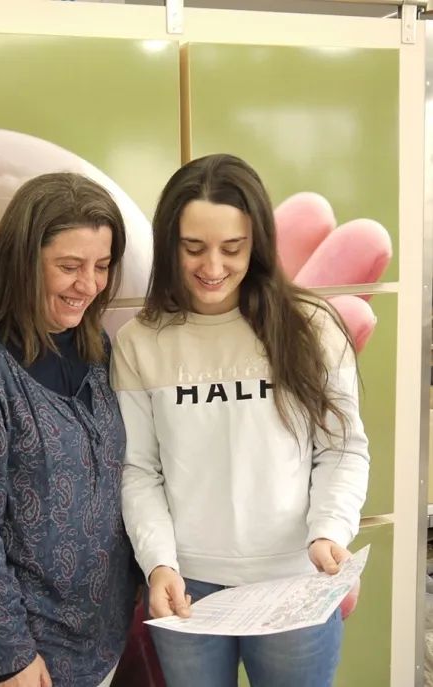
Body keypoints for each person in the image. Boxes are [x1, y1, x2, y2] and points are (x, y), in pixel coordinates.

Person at [110, 153, 370, 687]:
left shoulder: (313, 327)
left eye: (233, 248)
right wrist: (158, 563)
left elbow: (342, 450)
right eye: (193, 248)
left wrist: (329, 530)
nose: (212, 267)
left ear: (259, 244)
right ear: (168, 244)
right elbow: (139, 469)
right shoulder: (141, 342)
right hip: (188, 588)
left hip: (295, 581)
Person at [0, 172, 141, 687]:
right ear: (23, 264)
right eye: (69, 267)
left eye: (101, 266)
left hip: (103, 636)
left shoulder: (99, 352)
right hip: (26, 649)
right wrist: (10, 657)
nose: (89, 286)